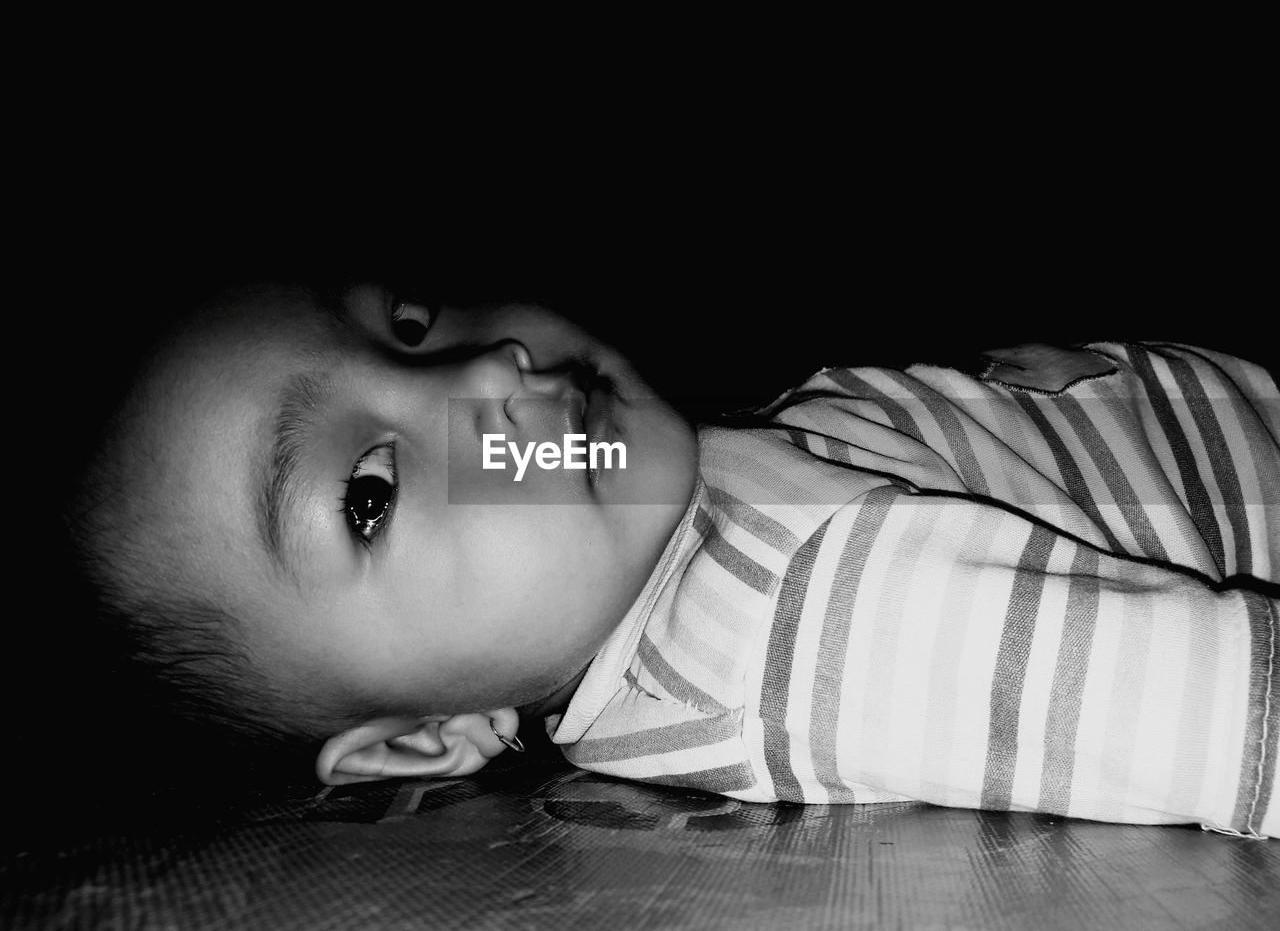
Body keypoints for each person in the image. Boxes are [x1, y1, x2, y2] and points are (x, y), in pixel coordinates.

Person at [63, 282, 1278, 839]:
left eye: (410, 326)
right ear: (419, 740)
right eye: (370, 494)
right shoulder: (817, 618)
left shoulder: (669, 509)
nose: (488, 378)